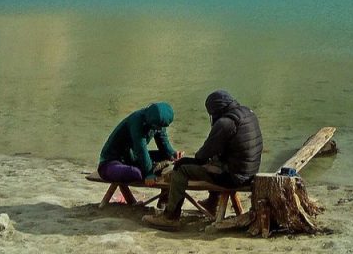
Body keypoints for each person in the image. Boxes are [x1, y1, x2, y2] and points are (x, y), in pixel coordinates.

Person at [143, 90, 262, 230]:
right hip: (250, 172)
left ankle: (170, 217)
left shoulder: (225, 123)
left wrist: (188, 160)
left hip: (234, 177)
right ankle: (212, 202)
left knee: (181, 169)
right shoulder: (248, 113)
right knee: (215, 160)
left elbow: (202, 155)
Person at [98, 102, 181, 185]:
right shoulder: (136, 122)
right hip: (110, 163)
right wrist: (149, 173)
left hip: (132, 159)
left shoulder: (158, 123)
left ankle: (153, 170)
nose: (159, 129)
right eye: (157, 127)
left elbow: (163, 141)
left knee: (167, 158)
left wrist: (172, 154)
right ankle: (151, 169)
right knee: (136, 173)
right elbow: (141, 149)